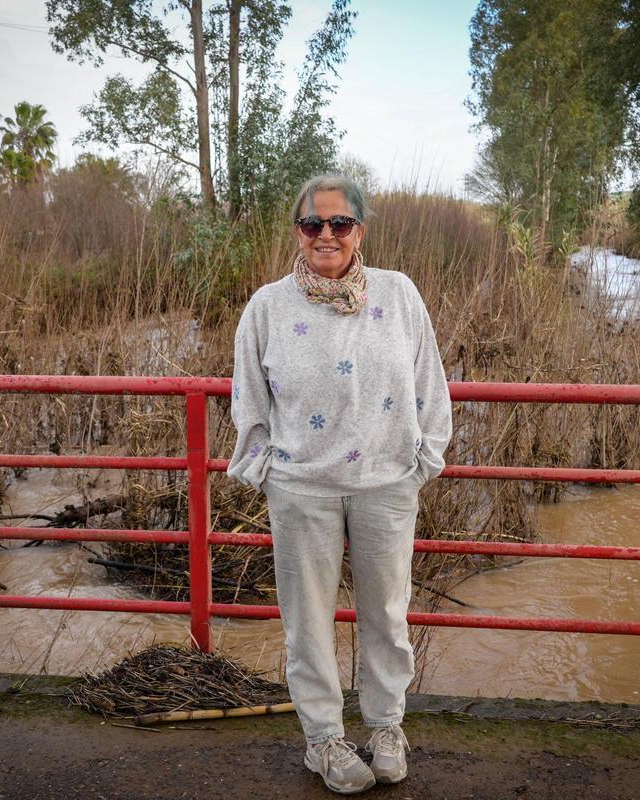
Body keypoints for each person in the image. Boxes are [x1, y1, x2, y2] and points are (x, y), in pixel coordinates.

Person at [227, 173, 452, 794]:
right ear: (298, 232)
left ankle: (385, 726)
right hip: (302, 489)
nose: (326, 235)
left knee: (385, 612)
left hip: (386, 483)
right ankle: (323, 739)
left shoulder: (399, 294)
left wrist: (424, 460)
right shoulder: (267, 306)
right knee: (307, 620)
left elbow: (430, 382)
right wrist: (267, 468)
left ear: (360, 230)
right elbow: (247, 396)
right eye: (312, 225)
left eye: (339, 224)